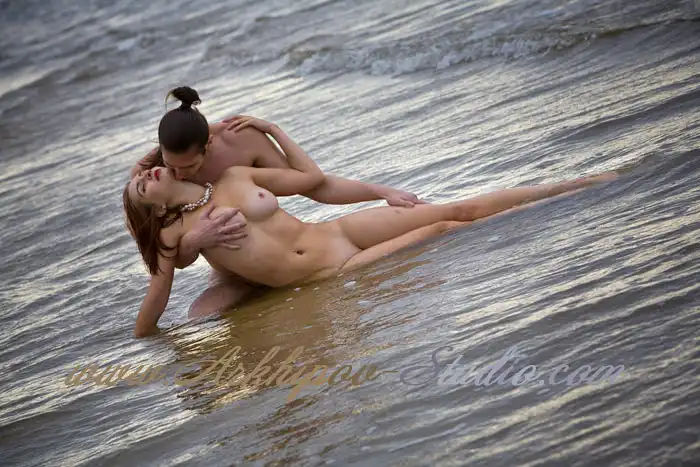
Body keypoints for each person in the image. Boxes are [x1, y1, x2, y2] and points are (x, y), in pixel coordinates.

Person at [124, 113, 618, 337]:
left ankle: (572, 186)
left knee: (457, 209)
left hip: (338, 234)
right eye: (143, 184)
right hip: (331, 270)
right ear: (154, 207)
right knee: (443, 231)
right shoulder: (173, 234)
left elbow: (312, 181)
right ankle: (535, 215)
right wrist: (143, 345)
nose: (151, 174)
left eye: (152, 171)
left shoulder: (233, 172)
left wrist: (273, 128)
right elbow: (158, 294)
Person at [131, 86, 429, 316]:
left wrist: (381, 191)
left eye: (188, 167)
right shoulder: (152, 176)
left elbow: (314, 185)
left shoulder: (242, 139)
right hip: (232, 271)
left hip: (284, 249)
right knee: (200, 317)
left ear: (207, 144)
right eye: (170, 166)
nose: (177, 175)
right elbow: (166, 253)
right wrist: (194, 240)